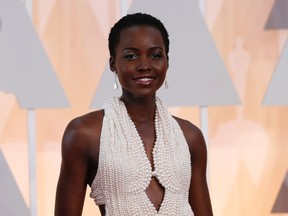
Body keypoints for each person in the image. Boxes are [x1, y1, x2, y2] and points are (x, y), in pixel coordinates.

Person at [55, 13, 213, 216]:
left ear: (167, 61)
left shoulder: (190, 137)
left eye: (155, 55)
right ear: (113, 64)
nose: (144, 65)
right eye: (131, 56)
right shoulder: (84, 134)